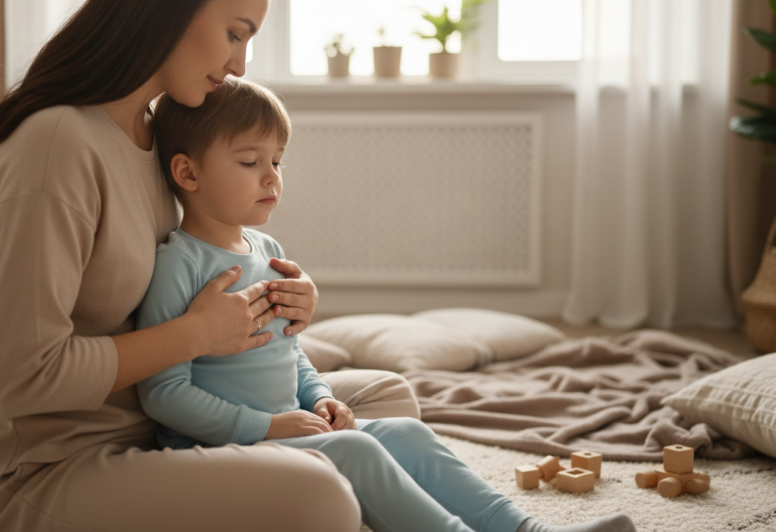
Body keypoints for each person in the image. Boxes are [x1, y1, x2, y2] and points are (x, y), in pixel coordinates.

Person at [0, 0, 419, 531]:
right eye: (234, 34)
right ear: (167, 6)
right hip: (43, 470)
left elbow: (192, 265)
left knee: (387, 401)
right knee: (323, 497)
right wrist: (193, 334)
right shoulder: (56, 145)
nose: (240, 65)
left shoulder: (153, 133)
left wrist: (281, 296)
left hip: (159, 423)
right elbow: (21, 379)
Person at [136, 78, 639, 532]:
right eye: (250, 162)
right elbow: (164, 393)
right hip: (226, 445)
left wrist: (319, 397)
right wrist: (267, 425)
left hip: (289, 423)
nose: (271, 177)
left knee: (406, 432)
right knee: (356, 450)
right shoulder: (179, 265)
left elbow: (289, 352)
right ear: (188, 172)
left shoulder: (269, 254)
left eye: (277, 161)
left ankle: (527, 531)